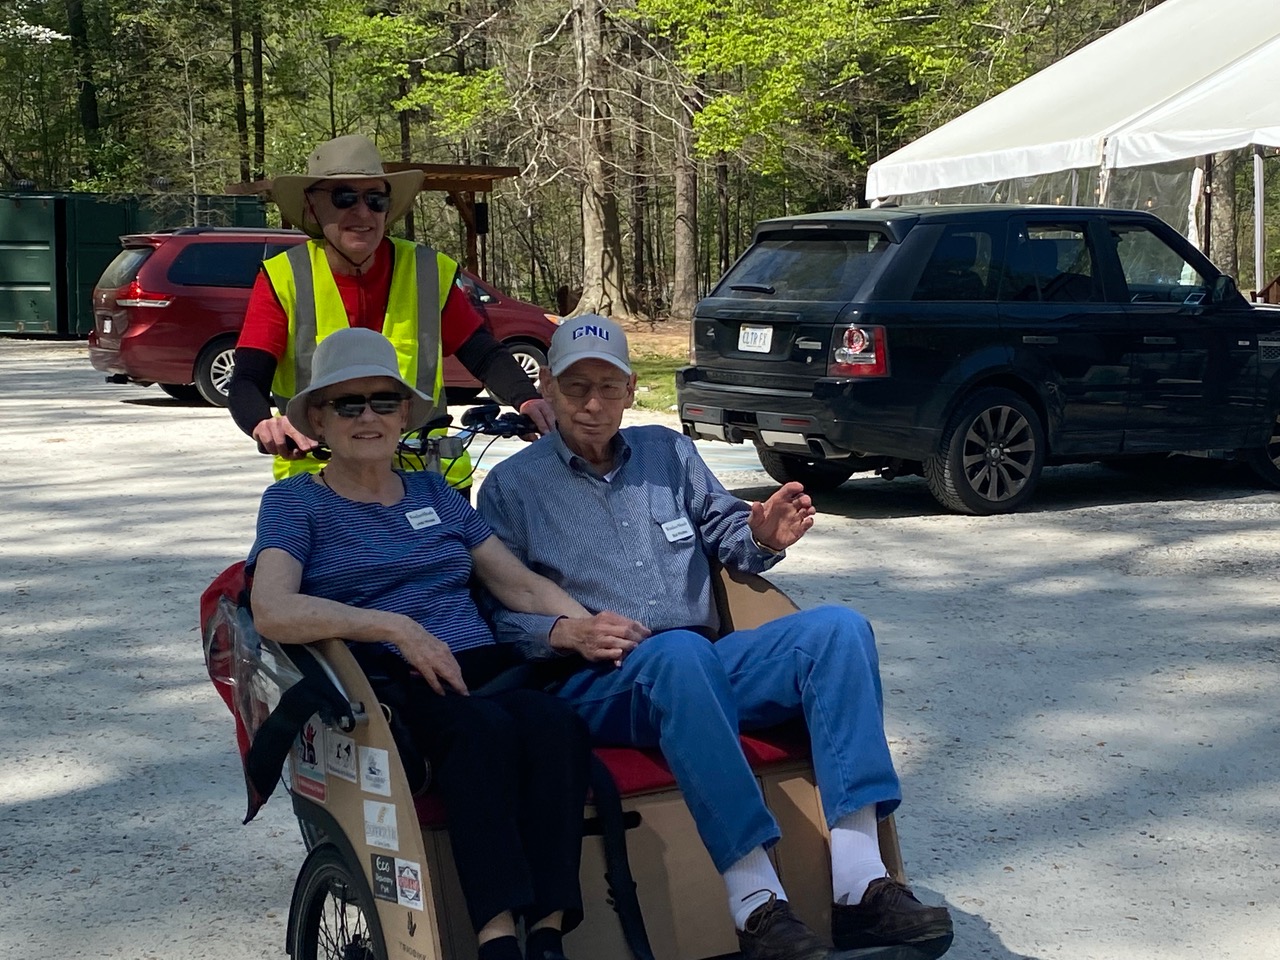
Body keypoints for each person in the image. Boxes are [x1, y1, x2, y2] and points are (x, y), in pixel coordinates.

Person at [477, 315, 955, 960]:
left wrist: (762, 533)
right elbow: (498, 614)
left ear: (629, 390)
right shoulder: (513, 486)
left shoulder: (667, 453)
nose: (593, 404)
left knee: (838, 630)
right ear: (549, 391)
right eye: (576, 387)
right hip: (600, 680)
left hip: (699, 661)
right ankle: (755, 902)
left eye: (608, 387)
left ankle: (859, 883)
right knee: (680, 655)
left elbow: (728, 532)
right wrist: (566, 631)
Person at [248, 326, 589, 960]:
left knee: (555, 722)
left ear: (405, 414)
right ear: (318, 420)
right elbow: (272, 608)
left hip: (481, 668)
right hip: (388, 683)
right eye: (348, 404)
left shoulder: (437, 494)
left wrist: (591, 628)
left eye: (383, 401)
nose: (368, 417)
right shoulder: (295, 503)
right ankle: (496, 938)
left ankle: (547, 933)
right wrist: (394, 627)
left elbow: (517, 584)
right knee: (479, 731)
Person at [229, 133, 554, 482]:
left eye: (376, 199)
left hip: (425, 471)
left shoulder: (428, 271)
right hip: (320, 473)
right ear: (312, 206)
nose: (362, 212)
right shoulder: (285, 278)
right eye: (344, 197)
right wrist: (263, 423)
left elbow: (484, 355)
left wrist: (527, 400)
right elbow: (247, 379)